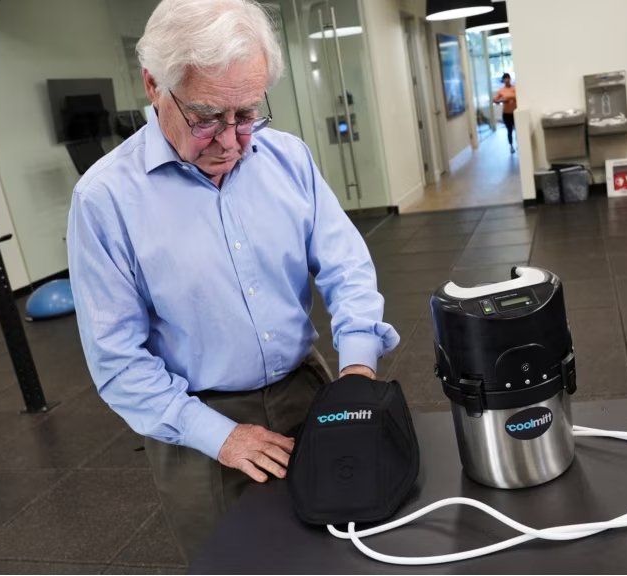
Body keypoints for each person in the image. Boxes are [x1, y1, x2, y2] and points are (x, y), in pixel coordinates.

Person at [66, 0, 399, 561]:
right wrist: (220, 436)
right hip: (200, 422)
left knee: (345, 552)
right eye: (205, 118)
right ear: (153, 85)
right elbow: (118, 361)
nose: (230, 141)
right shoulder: (105, 201)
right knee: (237, 562)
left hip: (308, 387)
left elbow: (347, 266)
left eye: (246, 114)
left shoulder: (287, 158)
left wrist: (359, 367)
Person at [493, 73, 518, 154]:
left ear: (510, 79)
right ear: (503, 80)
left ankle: (520, 145)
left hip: (515, 113)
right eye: (505, 79)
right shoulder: (501, 90)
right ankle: (511, 146)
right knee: (509, 130)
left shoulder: (515, 88)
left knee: (518, 130)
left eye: (508, 78)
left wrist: (511, 97)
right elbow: (495, 100)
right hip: (506, 114)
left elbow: (518, 96)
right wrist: (502, 100)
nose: (507, 80)